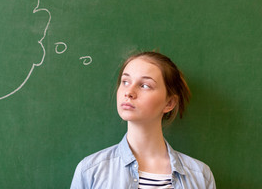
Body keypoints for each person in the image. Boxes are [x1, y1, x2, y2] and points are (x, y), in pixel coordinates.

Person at [70, 51, 216, 189]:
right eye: (125, 81)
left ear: (169, 103)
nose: (129, 92)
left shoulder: (200, 176)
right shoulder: (91, 170)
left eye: (145, 85)